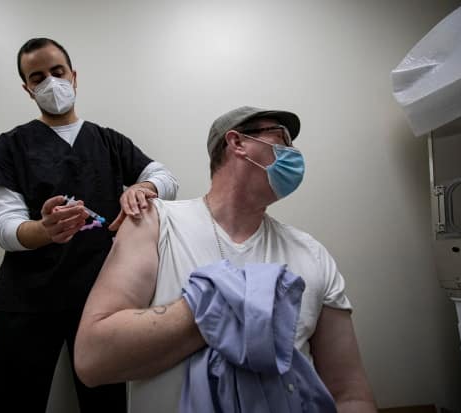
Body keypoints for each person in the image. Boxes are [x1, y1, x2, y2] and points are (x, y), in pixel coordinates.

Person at [74, 106, 377, 412]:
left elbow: (351, 396)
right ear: (237, 142)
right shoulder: (155, 223)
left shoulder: (312, 254)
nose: (294, 153)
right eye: (282, 138)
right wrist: (219, 306)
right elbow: (92, 359)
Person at [0, 37, 178, 413]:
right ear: (27, 89)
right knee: (14, 399)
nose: (51, 83)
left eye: (57, 72)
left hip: (102, 295)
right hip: (29, 299)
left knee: (105, 401)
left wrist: (143, 188)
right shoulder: (11, 146)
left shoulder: (108, 141)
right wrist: (43, 230)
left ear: (73, 76)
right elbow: (2, 224)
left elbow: (165, 177)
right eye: (37, 78)